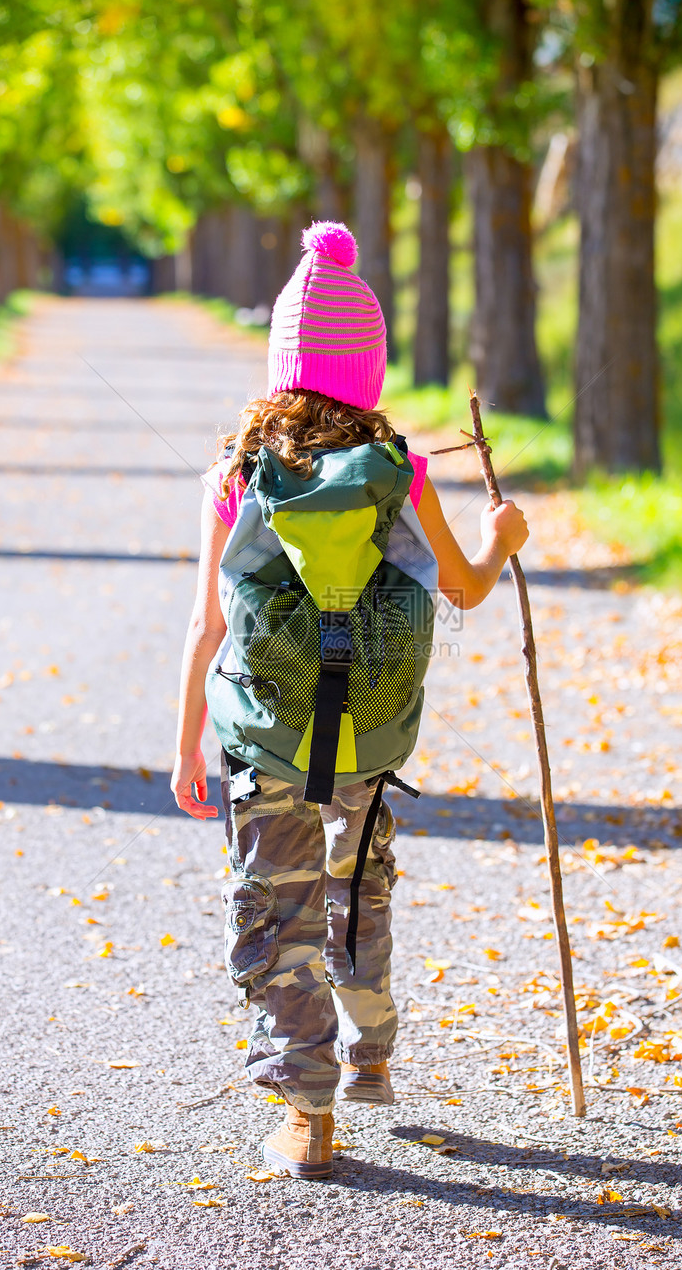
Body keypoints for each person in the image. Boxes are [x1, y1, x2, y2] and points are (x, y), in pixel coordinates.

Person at [171, 222, 528, 1180]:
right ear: (368, 368)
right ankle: (370, 1051)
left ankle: (308, 1115)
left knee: (275, 909)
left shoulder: (237, 472)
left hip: (262, 733)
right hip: (369, 731)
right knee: (358, 889)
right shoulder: (400, 470)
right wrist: (505, 537)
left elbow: (207, 627)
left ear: (283, 357)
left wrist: (186, 745)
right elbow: (460, 590)